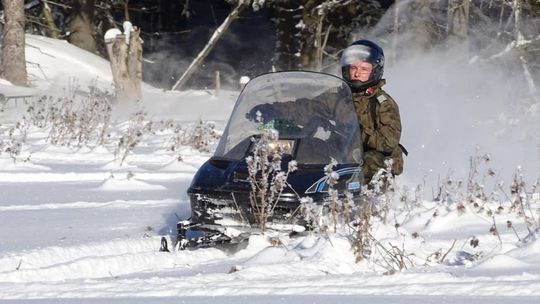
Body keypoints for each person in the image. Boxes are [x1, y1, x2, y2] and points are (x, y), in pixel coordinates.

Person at [340, 39, 405, 185]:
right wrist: (279, 109)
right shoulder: (339, 96)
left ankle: (370, 202)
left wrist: (358, 132)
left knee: (370, 159)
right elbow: (310, 107)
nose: (357, 73)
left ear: (375, 71)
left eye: (364, 69)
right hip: (345, 153)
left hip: (379, 159)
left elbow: (389, 143)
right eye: (353, 68)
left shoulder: (383, 103)